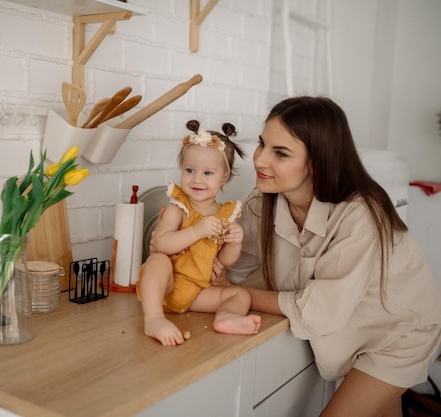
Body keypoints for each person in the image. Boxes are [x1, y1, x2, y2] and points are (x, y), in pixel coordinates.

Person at [211, 96, 441, 417]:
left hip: (399, 331)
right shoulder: (261, 204)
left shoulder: (361, 212)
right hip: (357, 326)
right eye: (263, 144)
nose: (260, 160)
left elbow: (320, 312)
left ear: (316, 162)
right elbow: (231, 266)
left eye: (280, 153)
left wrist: (237, 296)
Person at [137, 120, 262, 347]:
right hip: (168, 285)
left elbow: (221, 262)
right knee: (157, 261)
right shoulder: (179, 208)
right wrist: (196, 230)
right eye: (190, 170)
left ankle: (226, 317)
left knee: (241, 295)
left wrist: (234, 242)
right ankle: (153, 318)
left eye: (207, 173)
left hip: (198, 293)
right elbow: (160, 244)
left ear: (223, 178)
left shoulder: (224, 214)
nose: (197, 179)